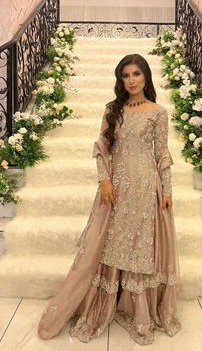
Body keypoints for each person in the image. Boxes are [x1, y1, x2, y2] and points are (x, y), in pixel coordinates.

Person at [37, 53, 182, 346]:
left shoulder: (158, 112)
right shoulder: (112, 110)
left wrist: (166, 191)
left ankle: (139, 313)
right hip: (115, 189)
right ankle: (102, 305)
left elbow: (162, 155)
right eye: (125, 75)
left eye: (136, 74)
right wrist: (104, 180)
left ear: (146, 77)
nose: (131, 81)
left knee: (139, 245)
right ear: (120, 79)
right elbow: (102, 148)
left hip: (145, 187)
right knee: (109, 243)